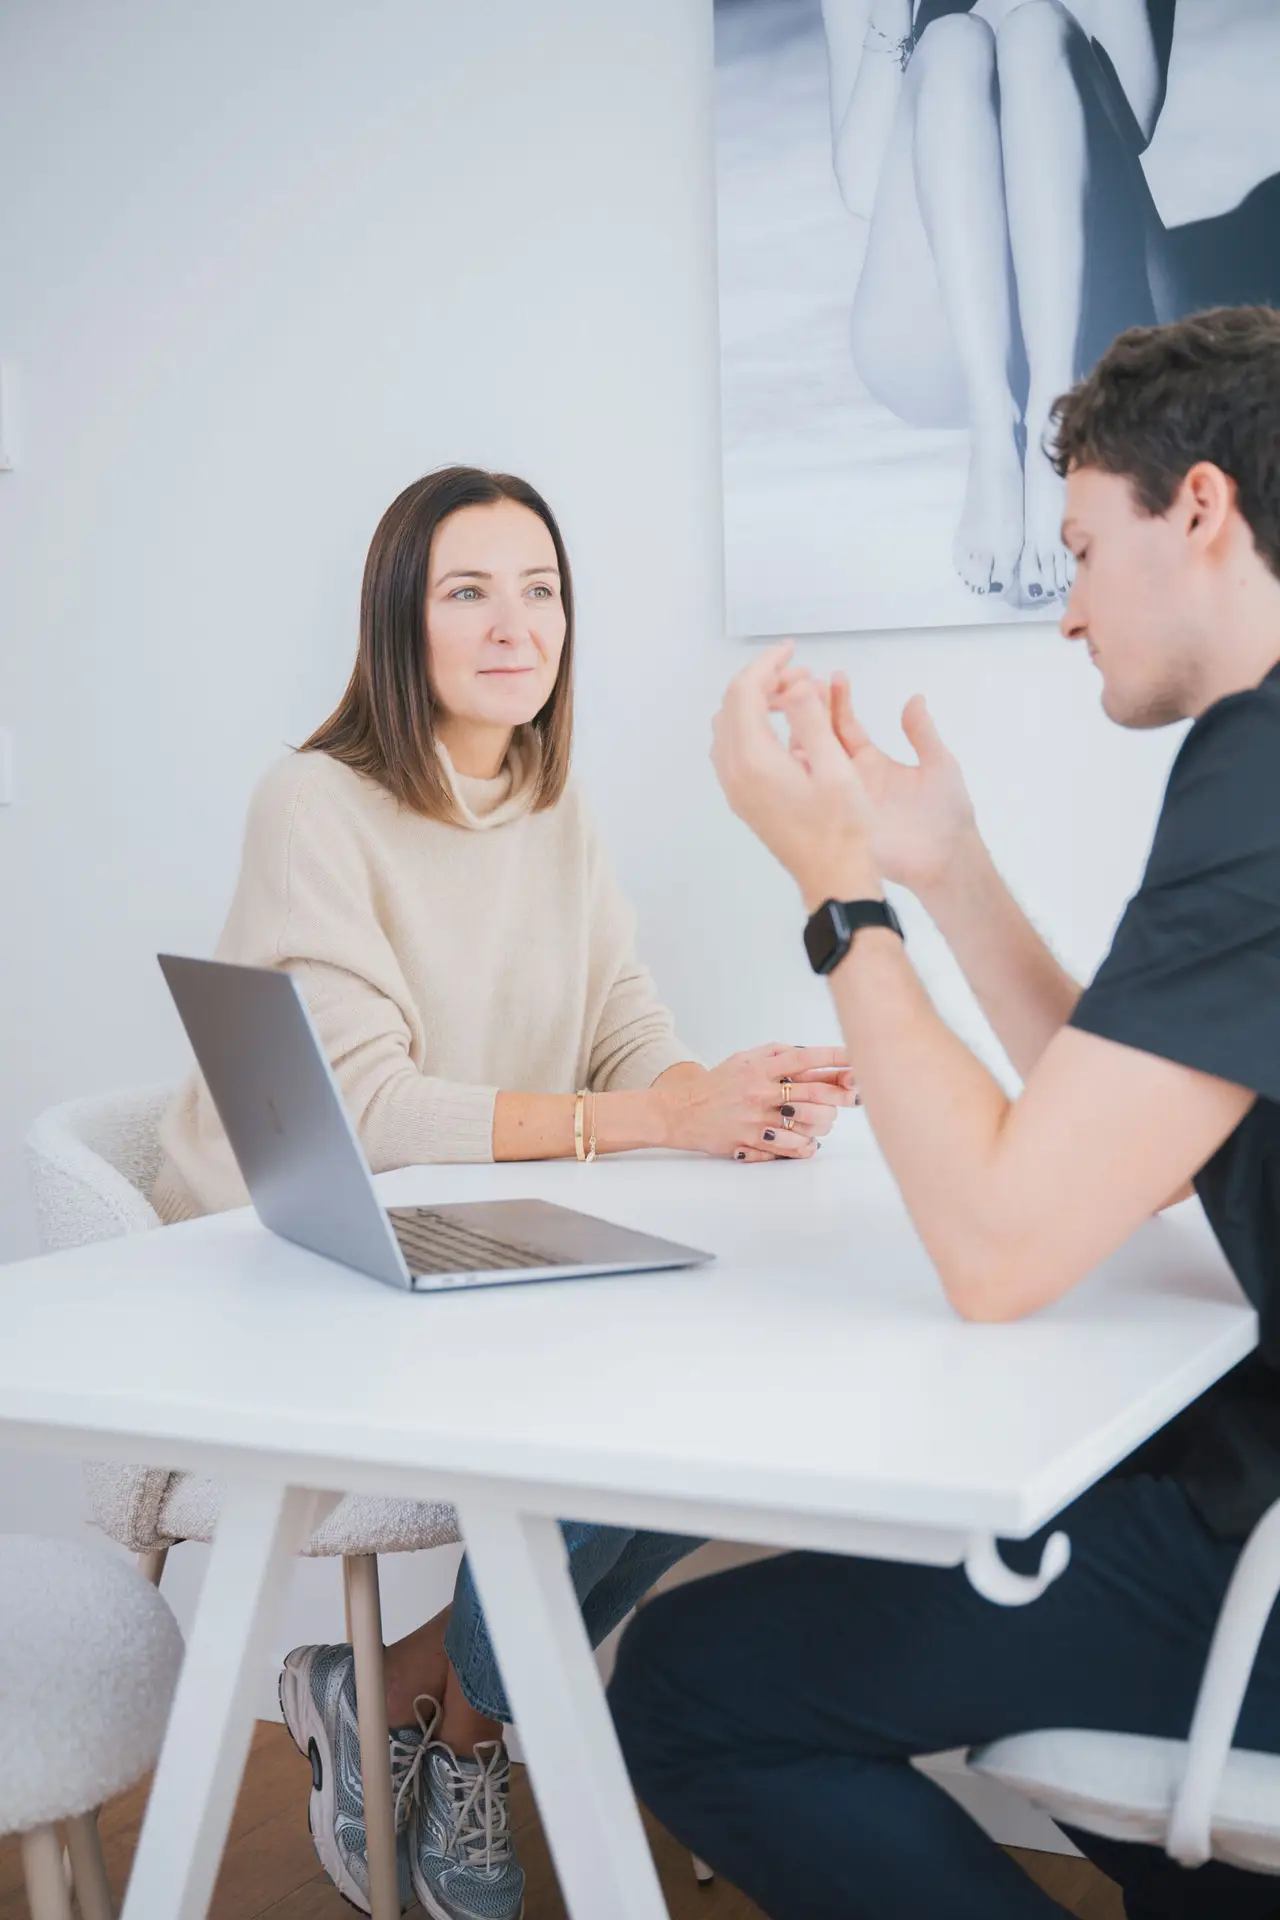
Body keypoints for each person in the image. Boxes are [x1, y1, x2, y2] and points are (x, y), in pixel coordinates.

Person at [610, 305, 1280, 1918]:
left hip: (1257, 1561)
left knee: (685, 1687)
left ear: (1199, 509)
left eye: (1077, 549)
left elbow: (996, 1242)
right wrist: (950, 868)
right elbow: (1112, 1137)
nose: (1064, 616)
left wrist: (838, 892)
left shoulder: (1260, 783)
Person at [150, 465, 853, 1919]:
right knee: (616, 1407)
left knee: (706, 1381)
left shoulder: (553, 804)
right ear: (398, 622)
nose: (514, 623)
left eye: (540, 590)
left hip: (470, 1245)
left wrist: (728, 1099)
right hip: (288, 1270)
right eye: (468, 590)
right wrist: (653, 1116)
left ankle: (429, 1708)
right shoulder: (316, 803)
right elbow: (374, 1115)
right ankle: (447, 1716)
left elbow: (625, 1037)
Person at [821, 0, 1280, 609]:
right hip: (935, 344)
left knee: (1039, 27)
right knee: (952, 43)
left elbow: (1135, 117)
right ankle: (995, 426)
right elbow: (859, 183)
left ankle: (1054, 416)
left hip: (1099, 326)